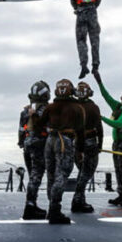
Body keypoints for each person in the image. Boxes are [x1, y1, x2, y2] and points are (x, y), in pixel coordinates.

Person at [36, 79, 86, 224]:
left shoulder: (50, 107)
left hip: (50, 141)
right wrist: (80, 151)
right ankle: (54, 211)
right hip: (65, 141)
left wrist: (33, 114)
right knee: (62, 174)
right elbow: (81, 132)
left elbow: (39, 125)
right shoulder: (77, 108)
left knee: (51, 174)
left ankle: (52, 206)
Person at [93, 70, 122, 208]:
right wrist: (99, 81)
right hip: (117, 144)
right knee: (118, 170)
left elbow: (118, 124)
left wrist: (101, 118)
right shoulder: (118, 108)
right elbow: (106, 96)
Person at [20, 80, 51, 220]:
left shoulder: (25, 110)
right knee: (36, 176)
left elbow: (21, 130)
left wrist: (22, 142)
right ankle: (30, 206)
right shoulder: (46, 109)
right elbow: (50, 129)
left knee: (32, 175)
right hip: (40, 144)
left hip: (27, 145)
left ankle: (31, 204)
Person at [72, 81, 103, 213]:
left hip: (75, 142)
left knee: (81, 171)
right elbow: (99, 128)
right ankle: (77, 200)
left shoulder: (73, 107)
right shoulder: (93, 107)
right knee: (87, 172)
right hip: (89, 142)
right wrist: (100, 144)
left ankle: (80, 199)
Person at [71, 0, 103, 79]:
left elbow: (72, 0)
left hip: (80, 14)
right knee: (95, 40)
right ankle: (95, 66)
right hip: (92, 14)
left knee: (81, 41)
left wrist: (79, 8)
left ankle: (84, 65)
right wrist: (92, 7)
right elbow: (98, 0)